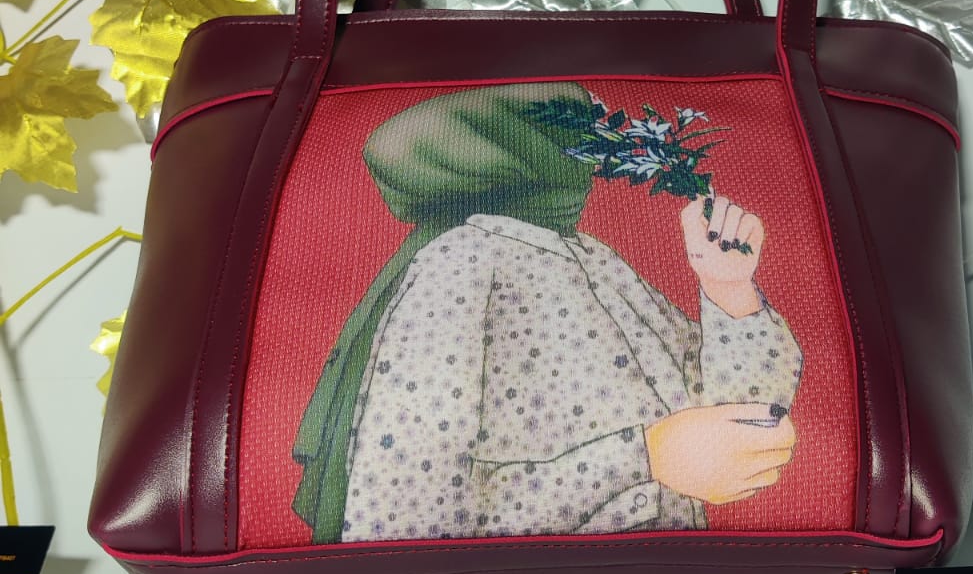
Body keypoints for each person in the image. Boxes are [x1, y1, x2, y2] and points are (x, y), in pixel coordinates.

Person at [292, 82, 802, 543]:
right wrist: (646, 458)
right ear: (511, 149)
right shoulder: (461, 264)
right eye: (577, 136)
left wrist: (729, 289)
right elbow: (404, 520)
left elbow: (741, 412)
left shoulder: (590, 257)